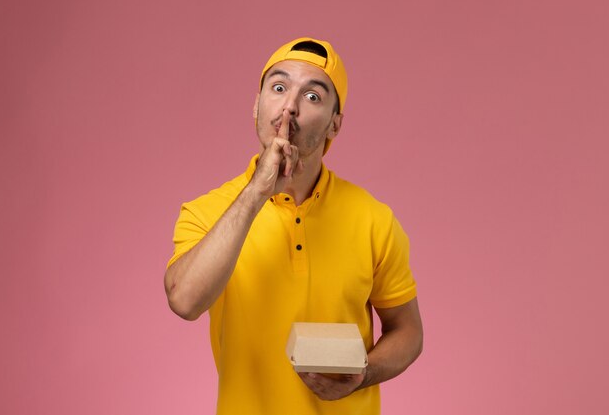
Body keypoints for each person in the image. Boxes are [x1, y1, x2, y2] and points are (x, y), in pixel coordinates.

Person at [164, 37, 423, 415]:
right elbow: (184, 302)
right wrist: (257, 192)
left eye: (313, 97)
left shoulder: (373, 218)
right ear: (256, 106)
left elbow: (408, 331)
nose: (289, 107)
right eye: (279, 88)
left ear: (335, 124)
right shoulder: (207, 212)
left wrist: (364, 375)